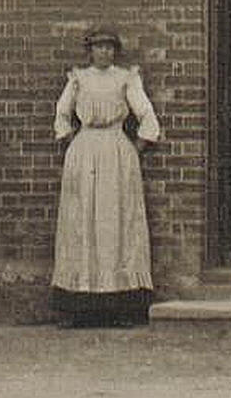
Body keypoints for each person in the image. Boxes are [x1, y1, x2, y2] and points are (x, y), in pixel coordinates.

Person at [51, 27, 162, 328]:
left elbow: (148, 117)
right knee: (82, 222)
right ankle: (80, 305)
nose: (105, 53)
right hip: (85, 151)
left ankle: (122, 304)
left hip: (117, 153)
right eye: (99, 47)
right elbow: (62, 115)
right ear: (90, 51)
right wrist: (70, 141)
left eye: (110, 48)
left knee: (116, 224)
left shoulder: (125, 78)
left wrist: (134, 147)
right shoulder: (78, 79)